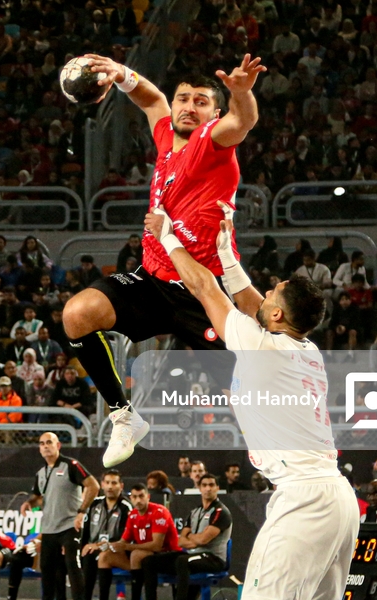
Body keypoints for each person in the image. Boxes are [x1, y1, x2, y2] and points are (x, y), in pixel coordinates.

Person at [143, 204, 359, 599]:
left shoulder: (263, 348)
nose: (267, 290)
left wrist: (167, 237)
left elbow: (204, 288)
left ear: (277, 313)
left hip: (304, 499)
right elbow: (254, 306)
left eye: (273, 291)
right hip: (338, 500)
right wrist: (227, 254)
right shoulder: (306, 348)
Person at [63, 53, 266, 468]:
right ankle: (124, 417)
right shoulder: (166, 137)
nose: (189, 107)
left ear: (214, 113)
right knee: (77, 314)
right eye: (183, 99)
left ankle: (284, 466)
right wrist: (122, 73)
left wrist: (242, 94)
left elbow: (242, 121)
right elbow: (151, 99)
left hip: (205, 293)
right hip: (153, 281)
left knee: (248, 401)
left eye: (201, 102)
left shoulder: (213, 142)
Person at [20, 432, 99, 600]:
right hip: (49, 528)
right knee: (48, 571)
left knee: (72, 565)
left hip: (69, 525)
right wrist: (29, 503)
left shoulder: (70, 465)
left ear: (58, 445)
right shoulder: (41, 473)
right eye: (42, 443)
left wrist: (82, 511)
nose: (45, 446)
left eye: (49, 442)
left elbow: (93, 486)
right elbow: (39, 497)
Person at [97, 483, 180, 600]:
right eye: (135, 497)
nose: (138, 500)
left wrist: (127, 547)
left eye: (141, 496)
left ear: (148, 497)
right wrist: (109, 546)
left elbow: (156, 546)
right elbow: (123, 542)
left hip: (168, 555)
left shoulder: (159, 512)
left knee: (136, 554)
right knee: (104, 556)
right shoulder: (133, 515)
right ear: (131, 498)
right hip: (143, 557)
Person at [169, 474, 232, 600]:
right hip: (194, 555)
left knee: (182, 561)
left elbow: (203, 540)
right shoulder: (195, 512)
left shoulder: (221, 512)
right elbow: (181, 541)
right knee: (155, 561)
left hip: (213, 558)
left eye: (211, 485)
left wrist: (190, 535)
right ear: (199, 488)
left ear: (217, 488)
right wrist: (195, 540)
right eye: (204, 485)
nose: (208, 488)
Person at [76, 470, 132, 600]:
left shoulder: (125, 508)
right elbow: (85, 532)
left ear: (121, 486)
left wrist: (98, 546)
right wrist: (83, 547)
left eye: (114, 483)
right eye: (107, 482)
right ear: (102, 485)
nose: (110, 486)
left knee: (93, 556)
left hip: (114, 550)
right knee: (84, 555)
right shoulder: (94, 504)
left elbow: (123, 538)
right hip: (92, 549)